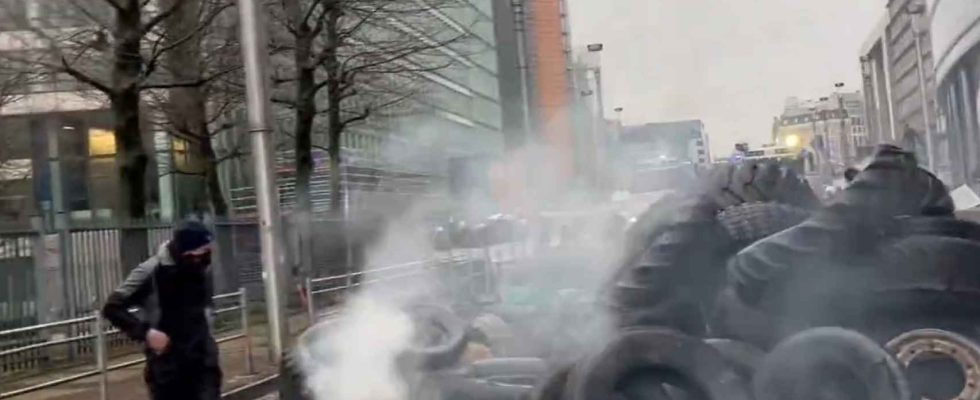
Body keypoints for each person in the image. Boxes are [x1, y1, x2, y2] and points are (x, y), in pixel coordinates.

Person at [102, 220, 221, 400]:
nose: (204, 259)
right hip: (168, 368)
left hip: (203, 363)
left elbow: (204, 306)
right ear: (184, 252)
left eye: (207, 253)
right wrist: (146, 334)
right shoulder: (151, 271)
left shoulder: (202, 268)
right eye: (199, 254)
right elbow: (112, 308)